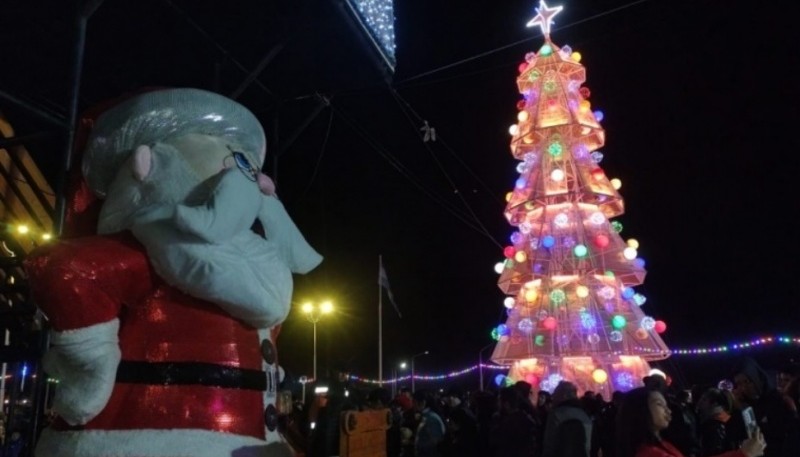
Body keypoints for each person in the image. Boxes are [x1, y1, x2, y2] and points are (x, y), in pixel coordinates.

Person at [24, 88, 323, 456]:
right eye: (232, 166)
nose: (262, 184)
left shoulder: (255, 270)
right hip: (145, 438)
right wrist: (92, 360)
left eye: (250, 169)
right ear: (148, 165)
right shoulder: (154, 252)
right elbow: (62, 269)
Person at [615, 387, 766, 457]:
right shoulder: (650, 453)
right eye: (659, 404)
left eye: (666, 405)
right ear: (640, 410)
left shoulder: (661, 444)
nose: (669, 411)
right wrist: (742, 454)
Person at [542, 381, 592, 457]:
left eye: (556, 393)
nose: (553, 396)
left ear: (564, 395)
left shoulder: (556, 414)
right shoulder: (585, 415)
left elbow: (550, 444)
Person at [413, 390, 446, 457]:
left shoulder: (431, 418)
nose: (413, 405)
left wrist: (416, 445)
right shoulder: (424, 416)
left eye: (414, 402)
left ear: (422, 402)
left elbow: (434, 442)